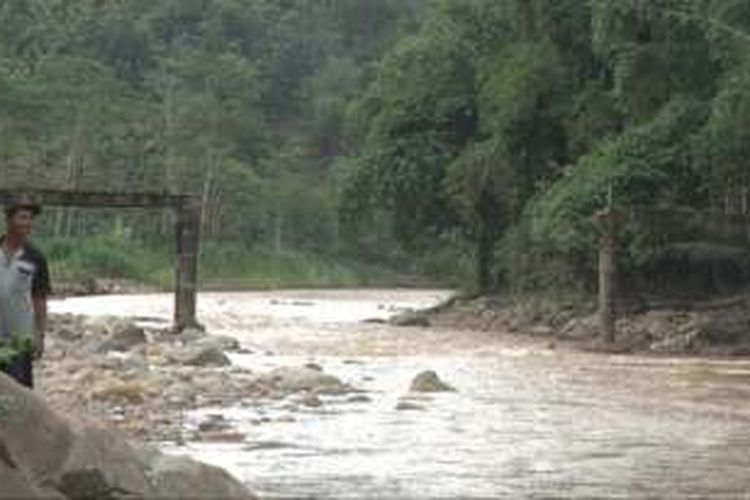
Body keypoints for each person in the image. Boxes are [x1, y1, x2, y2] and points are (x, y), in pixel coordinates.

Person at [0, 194, 51, 388]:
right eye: (22, 217)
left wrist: (39, 335)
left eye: (30, 218)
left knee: (18, 393)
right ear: (9, 219)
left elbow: (39, 299)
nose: (27, 223)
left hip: (19, 340)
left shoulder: (35, 258)